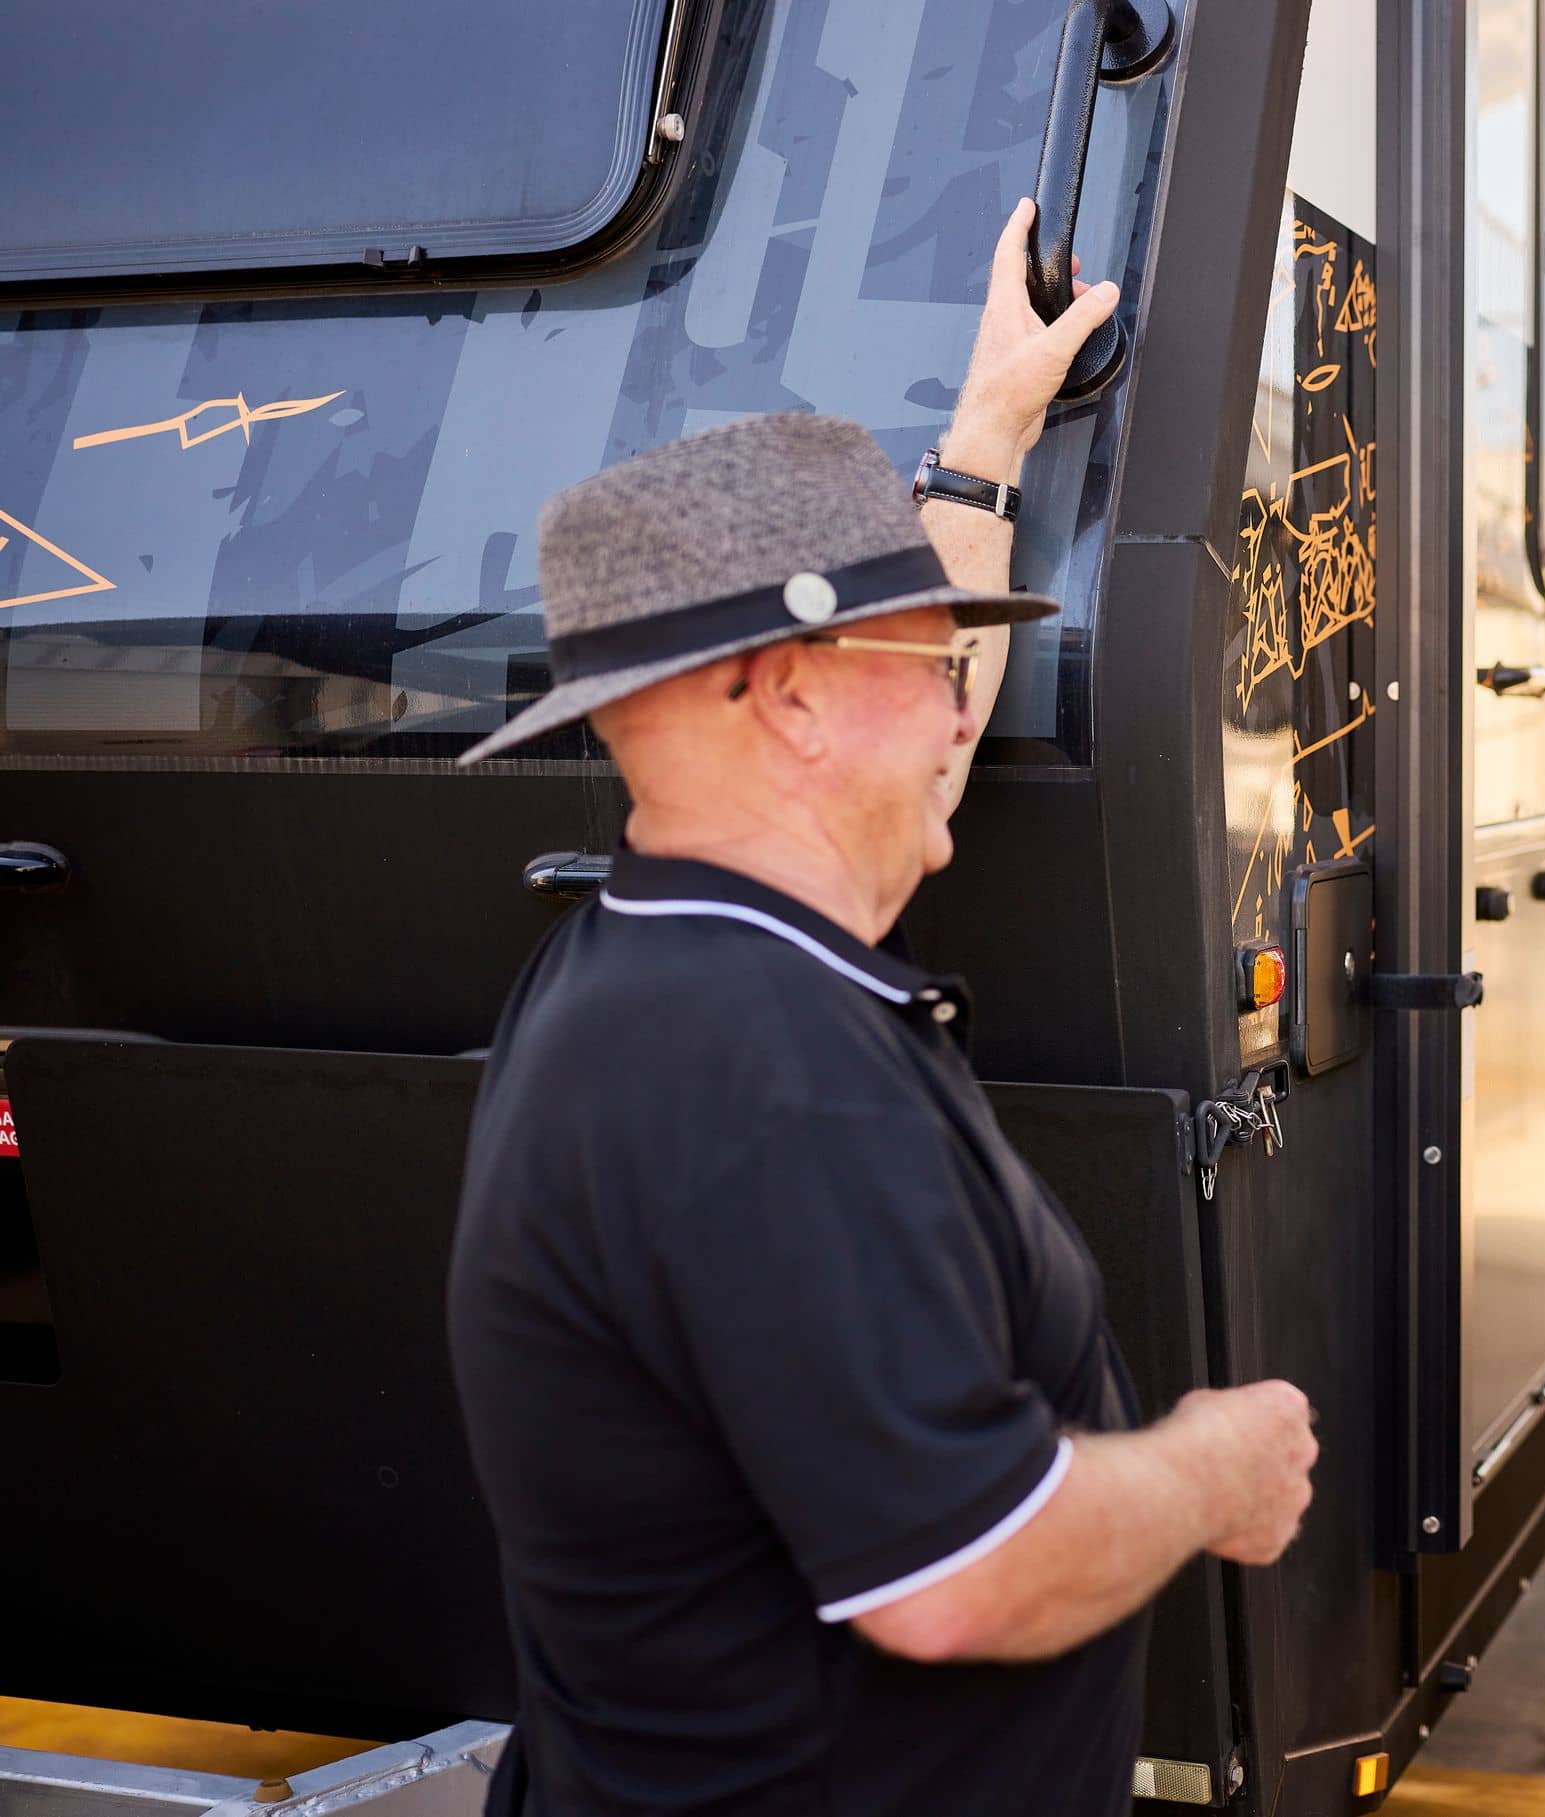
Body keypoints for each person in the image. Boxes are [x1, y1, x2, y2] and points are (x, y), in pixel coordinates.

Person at [445, 202, 1317, 1816]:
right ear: (787, 699)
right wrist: (1213, 1466)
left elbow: (927, 745)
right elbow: (960, 1577)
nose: (963, 703)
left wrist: (988, 431)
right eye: (933, 661)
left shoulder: (668, 948)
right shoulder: (755, 1066)